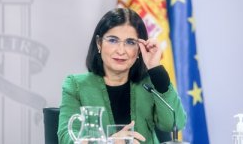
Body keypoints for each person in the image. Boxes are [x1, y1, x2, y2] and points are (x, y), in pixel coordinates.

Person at [57, 8, 186, 144]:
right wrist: (108, 142)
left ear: (139, 49)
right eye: (113, 40)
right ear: (99, 43)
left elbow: (174, 123)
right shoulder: (76, 85)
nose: (121, 50)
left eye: (130, 42)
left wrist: (155, 69)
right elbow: (66, 138)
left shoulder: (149, 85)